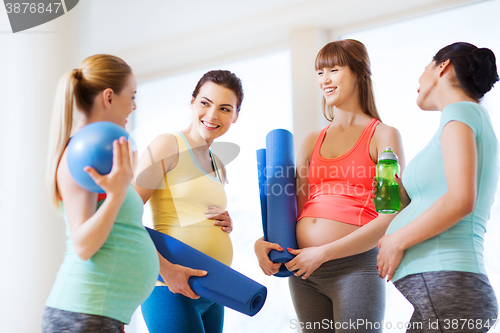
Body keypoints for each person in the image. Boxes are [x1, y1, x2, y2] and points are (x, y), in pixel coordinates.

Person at [255, 39, 405, 332]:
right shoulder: (311, 140)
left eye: (333, 70)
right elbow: (292, 208)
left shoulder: (383, 135)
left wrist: (323, 252)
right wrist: (264, 241)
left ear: (359, 72)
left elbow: (391, 215)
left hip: (355, 267)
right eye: (320, 72)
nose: (325, 80)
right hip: (303, 270)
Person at [377, 42, 499, 332]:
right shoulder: (466, 117)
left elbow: (460, 200)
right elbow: (445, 194)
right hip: (450, 292)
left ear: (442, 65)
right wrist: (404, 193)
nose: (418, 81)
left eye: (424, 68)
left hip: (450, 287)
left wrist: (396, 240)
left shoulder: (459, 113)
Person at [43, 54, 159, 333]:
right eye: (131, 97)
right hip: (83, 313)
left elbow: (123, 231)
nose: (132, 107)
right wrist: (117, 195)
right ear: (109, 97)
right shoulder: (81, 154)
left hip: (101, 313)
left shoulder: (100, 151)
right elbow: (83, 245)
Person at [133, 70, 243, 333]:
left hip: (214, 288)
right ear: (192, 102)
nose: (213, 115)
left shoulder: (218, 163)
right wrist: (168, 271)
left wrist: (224, 222)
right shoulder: (167, 145)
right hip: (170, 288)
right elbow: (123, 215)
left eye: (225, 108)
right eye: (205, 103)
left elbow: (190, 208)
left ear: (235, 116)